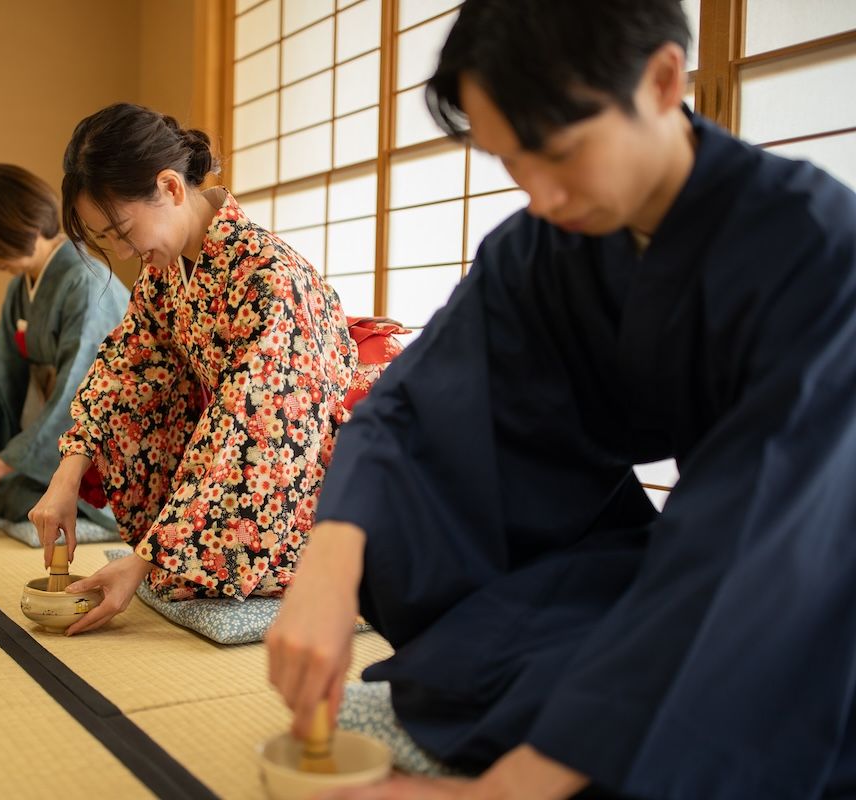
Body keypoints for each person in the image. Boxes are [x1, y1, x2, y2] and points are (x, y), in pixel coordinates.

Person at [266, 1, 856, 798]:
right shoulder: (546, 244)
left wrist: (505, 791)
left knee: (734, 710)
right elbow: (407, 408)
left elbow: (759, 531)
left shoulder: (812, 243)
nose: (538, 195)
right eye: (512, 162)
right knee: (441, 633)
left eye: (561, 153)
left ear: (662, 79)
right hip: (690, 561)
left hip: (803, 576)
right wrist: (327, 567)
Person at [27, 103, 404, 636]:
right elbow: (125, 369)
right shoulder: (166, 273)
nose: (124, 251)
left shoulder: (268, 275)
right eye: (106, 241)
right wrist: (68, 471)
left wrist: (147, 558)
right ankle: (181, 547)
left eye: (122, 230)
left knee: (223, 556)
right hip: (245, 437)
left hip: (320, 451)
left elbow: (257, 429)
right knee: (139, 397)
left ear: (171, 187)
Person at [0, 164, 130, 547]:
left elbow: (78, 394)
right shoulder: (21, 287)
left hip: (107, 444)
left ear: (29, 225)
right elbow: (0, 371)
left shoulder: (86, 283)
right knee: (5, 494)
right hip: (60, 439)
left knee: (9, 493)